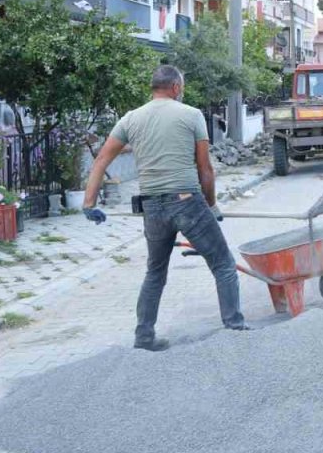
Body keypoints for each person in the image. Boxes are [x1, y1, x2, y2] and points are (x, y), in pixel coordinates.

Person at [82, 65, 250, 352]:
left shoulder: (131, 119)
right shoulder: (191, 115)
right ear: (175, 87)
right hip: (187, 201)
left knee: (155, 272)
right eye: (181, 87)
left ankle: (144, 337)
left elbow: (100, 161)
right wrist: (211, 205)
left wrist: (89, 203)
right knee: (222, 264)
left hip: (152, 206)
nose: (181, 91)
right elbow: (205, 169)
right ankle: (234, 327)